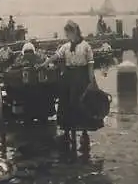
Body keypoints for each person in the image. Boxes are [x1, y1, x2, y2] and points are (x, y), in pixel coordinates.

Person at [37, 20, 97, 157]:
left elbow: (90, 66)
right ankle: (67, 133)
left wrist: (91, 82)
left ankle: (84, 135)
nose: (67, 35)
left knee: (82, 104)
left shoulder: (86, 47)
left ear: (74, 32)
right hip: (69, 77)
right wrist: (44, 64)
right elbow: (55, 56)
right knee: (65, 104)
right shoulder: (65, 46)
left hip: (81, 77)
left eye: (68, 33)